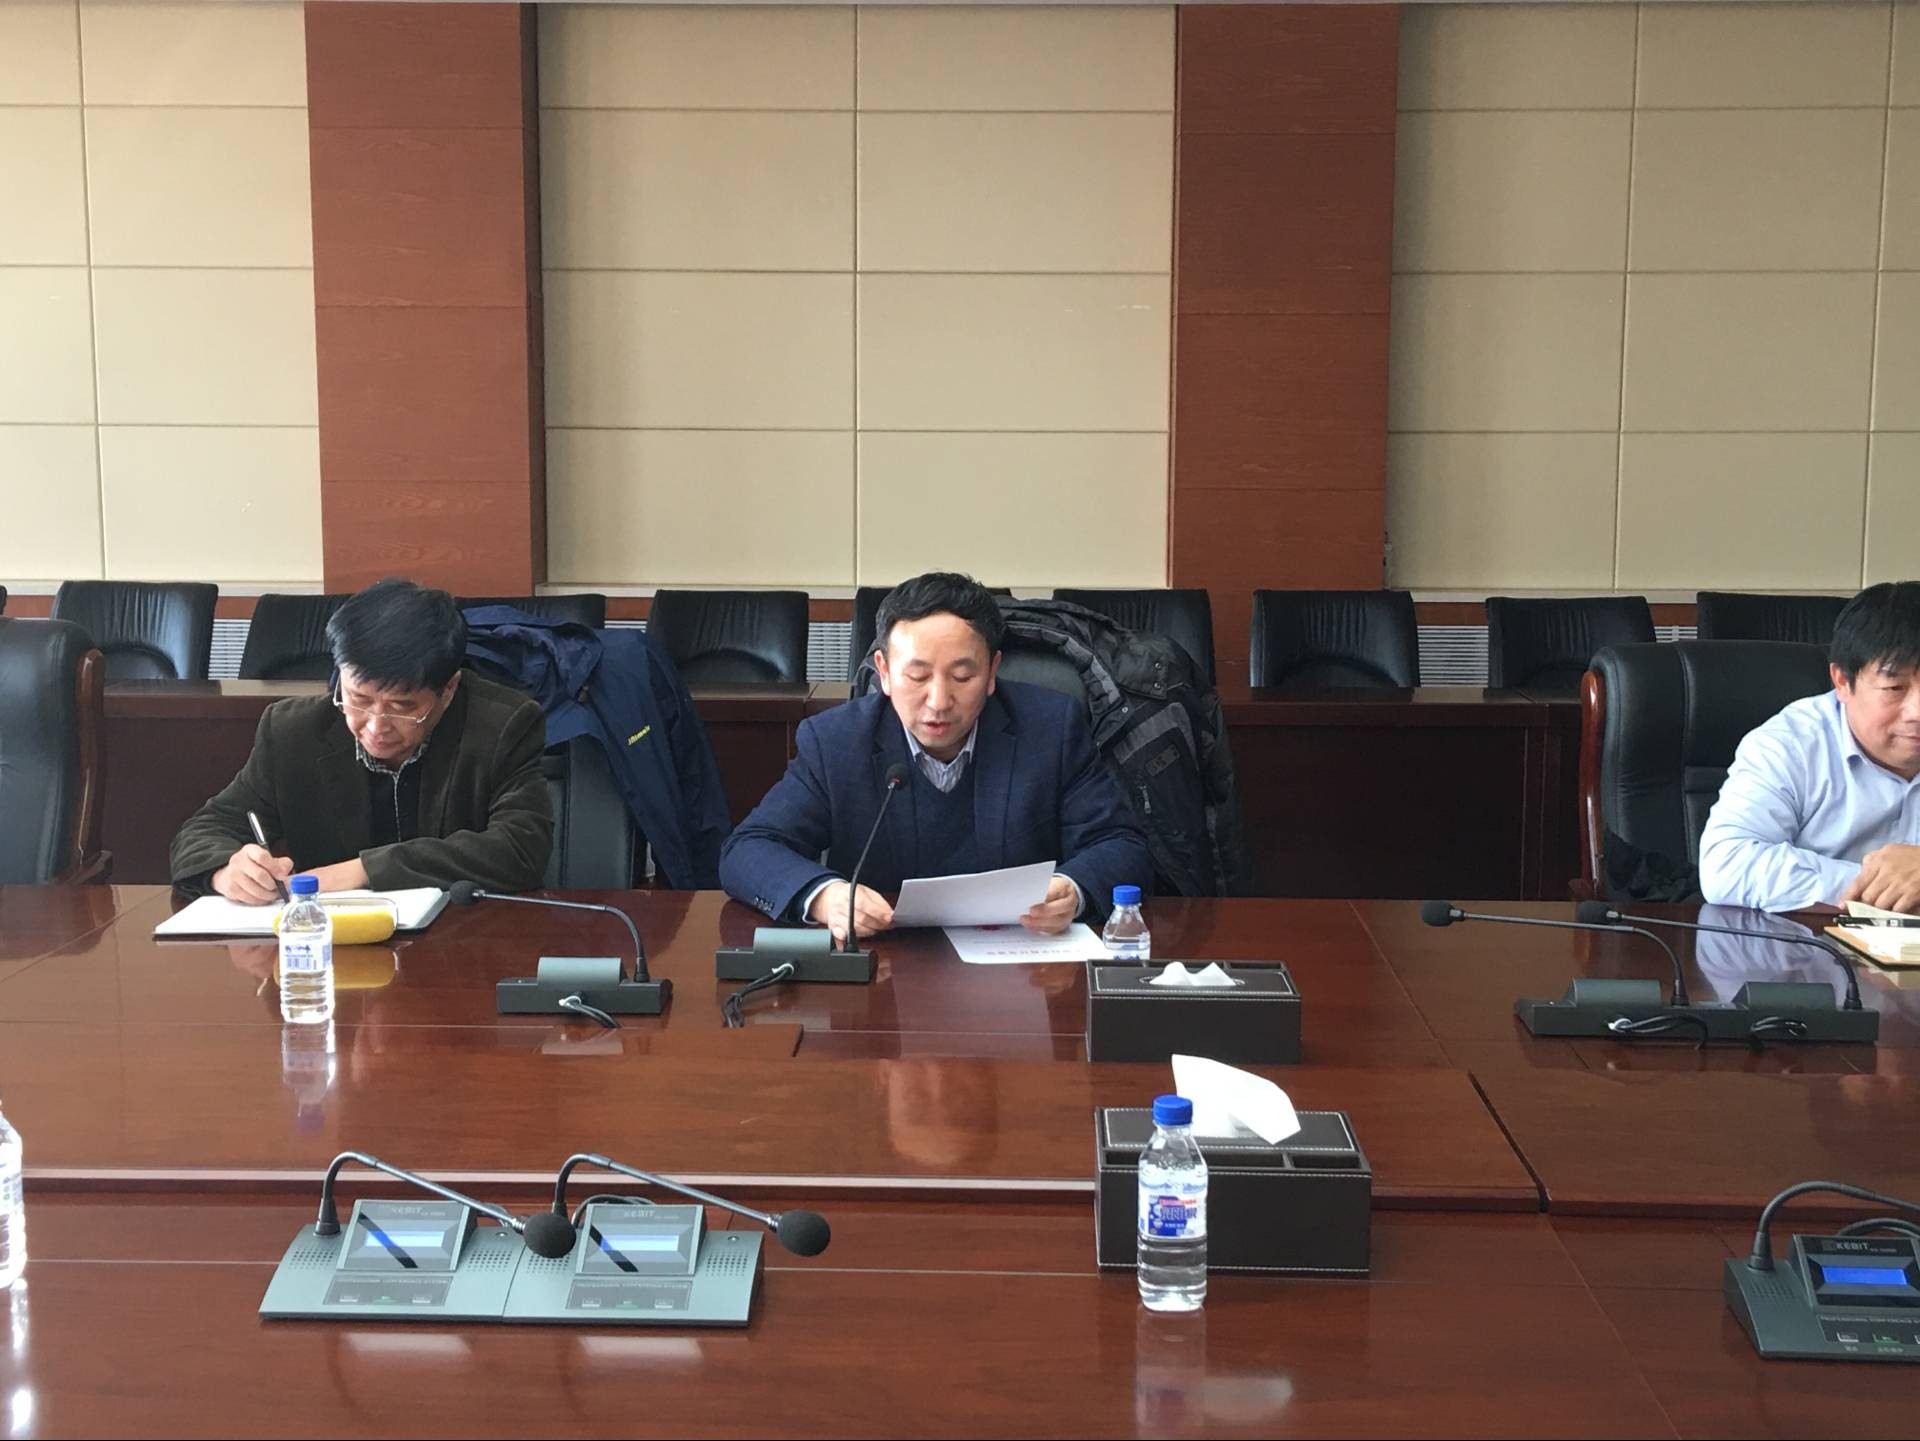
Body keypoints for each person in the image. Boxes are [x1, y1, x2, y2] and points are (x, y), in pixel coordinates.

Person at [719, 572, 1151, 944]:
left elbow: (1121, 845)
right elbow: (748, 849)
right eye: (917, 675)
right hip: (885, 968)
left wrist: (1073, 889)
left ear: (992, 672)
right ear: (884, 672)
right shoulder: (837, 742)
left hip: (1022, 970)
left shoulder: (1050, 729)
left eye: (963, 676)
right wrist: (824, 896)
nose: (939, 701)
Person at [170, 578, 552, 900]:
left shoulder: (502, 724)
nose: (375, 726)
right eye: (359, 699)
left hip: (461, 940)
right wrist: (225, 870)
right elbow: (205, 829)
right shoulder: (293, 731)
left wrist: (363, 871)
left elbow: (520, 849)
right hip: (332, 946)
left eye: (402, 706)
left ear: (448, 688)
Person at [1699, 581, 1920, 913]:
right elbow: (1728, 866)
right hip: (1810, 941)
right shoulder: (1790, 746)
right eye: (1894, 688)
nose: (1916, 712)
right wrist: (1887, 887)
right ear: (1842, 681)